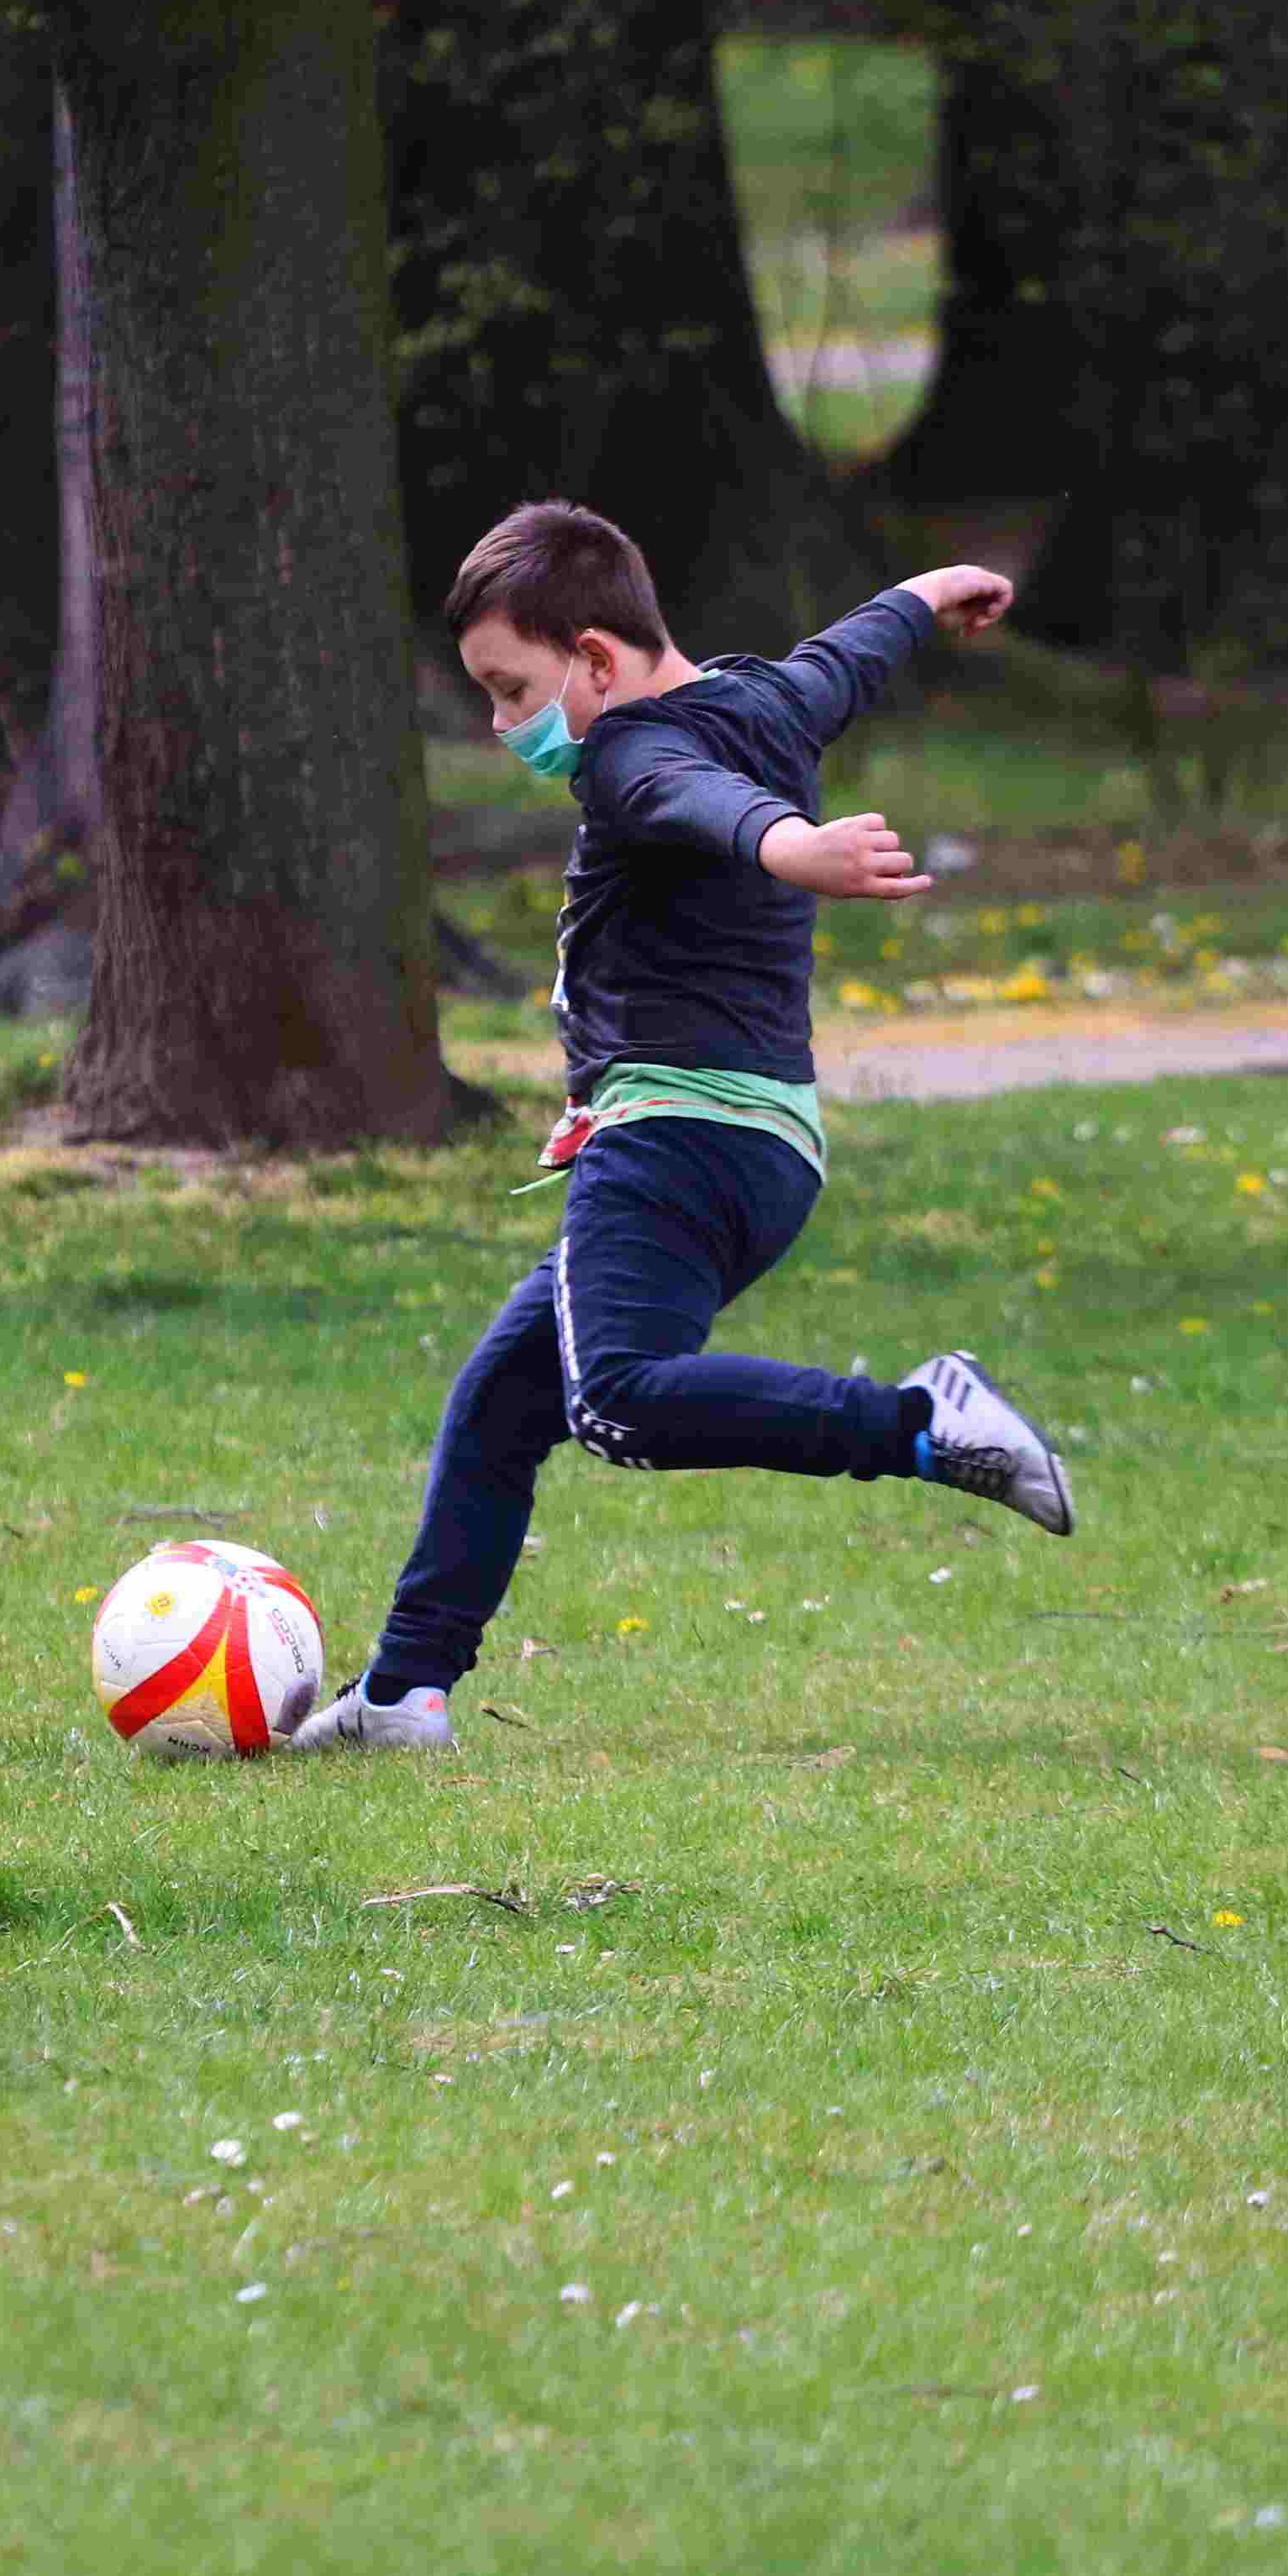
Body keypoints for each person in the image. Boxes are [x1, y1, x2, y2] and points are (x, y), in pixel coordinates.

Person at [287, 499, 1076, 1757]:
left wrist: (787, 845)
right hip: (764, 1149)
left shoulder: (628, 754)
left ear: (596, 660)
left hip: (679, 1140)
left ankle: (922, 1428)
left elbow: (690, 795)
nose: (505, 726)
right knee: (503, 1401)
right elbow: (848, 654)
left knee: (620, 1403)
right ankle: (404, 1697)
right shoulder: (772, 697)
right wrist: (930, 592)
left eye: (514, 690)